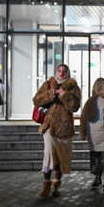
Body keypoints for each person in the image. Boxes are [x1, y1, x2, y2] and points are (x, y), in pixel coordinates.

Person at [33, 64, 81, 199]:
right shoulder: (49, 84)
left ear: (68, 72)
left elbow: (75, 107)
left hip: (65, 127)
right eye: (59, 71)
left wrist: (65, 95)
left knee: (60, 157)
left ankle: (56, 185)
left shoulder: (73, 87)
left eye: (64, 71)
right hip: (49, 126)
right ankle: (46, 185)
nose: (61, 73)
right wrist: (50, 95)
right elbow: (36, 100)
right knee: (49, 155)